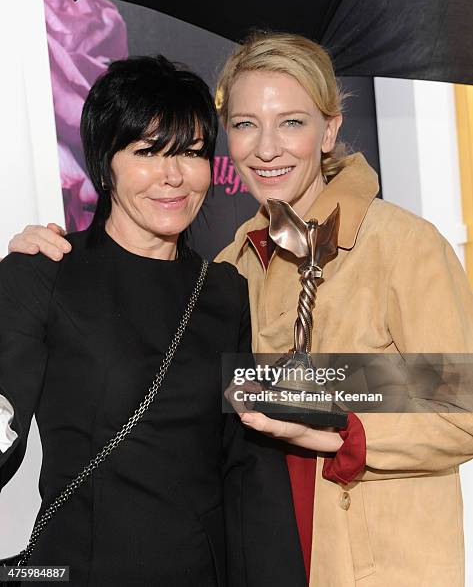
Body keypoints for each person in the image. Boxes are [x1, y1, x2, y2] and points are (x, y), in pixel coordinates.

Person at [10, 33, 473, 587]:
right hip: (259, 551)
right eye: (246, 124)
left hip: (375, 562)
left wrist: (342, 426)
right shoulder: (234, 268)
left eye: (293, 122)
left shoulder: (403, 245)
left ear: (329, 130)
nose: (267, 147)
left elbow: (460, 407)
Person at [0, 55, 307, 587]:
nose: (173, 176)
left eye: (190, 153)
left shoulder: (224, 291)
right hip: (74, 570)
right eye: (146, 151)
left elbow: (247, 468)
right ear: (105, 164)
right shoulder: (43, 272)